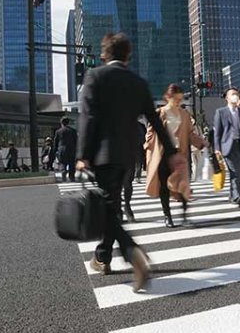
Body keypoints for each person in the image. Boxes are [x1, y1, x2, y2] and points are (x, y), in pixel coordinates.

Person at [76, 32, 184, 292]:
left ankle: (132, 252)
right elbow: (154, 120)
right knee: (111, 207)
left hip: (103, 156)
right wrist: (172, 151)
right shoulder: (138, 82)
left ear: (104, 55)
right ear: (128, 55)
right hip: (127, 155)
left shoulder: (95, 77)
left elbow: (88, 118)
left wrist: (82, 155)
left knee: (107, 209)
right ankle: (102, 257)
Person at [146, 84, 208, 228]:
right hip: (162, 154)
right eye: (176, 99)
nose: (178, 102)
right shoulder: (160, 113)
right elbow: (150, 133)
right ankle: (167, 215)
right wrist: (148, 149)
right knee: (164, 186)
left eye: (180, 100)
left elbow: (190, 134)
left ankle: (185, 215)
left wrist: (202, 142)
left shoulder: (185, 115)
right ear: (168, 98)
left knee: (183, 184)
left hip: (180, 154)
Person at [52, 117, 78, 182]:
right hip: (72, 149)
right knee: (72, 164)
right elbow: (76, 141)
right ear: (68, 123)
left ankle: (64, 176)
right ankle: (72, 177)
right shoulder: (73, 131)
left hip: (62, 150)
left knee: (63, 163)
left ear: (61, 123)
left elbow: (55, 142)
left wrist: (55, 151)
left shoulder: (58, 131)